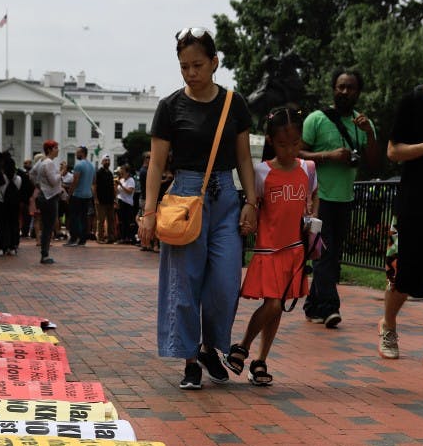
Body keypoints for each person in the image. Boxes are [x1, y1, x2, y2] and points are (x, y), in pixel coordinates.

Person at [139, 27, 257, 389]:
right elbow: (157, 165)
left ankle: (209, 347)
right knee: (184, 285)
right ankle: (191, 360)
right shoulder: (170, 107)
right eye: (184, 66)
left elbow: (243, 158)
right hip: (185, 197)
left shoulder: (233, 103)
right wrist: (148, 212)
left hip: (225, 198)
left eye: (198, 65)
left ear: (214, 62)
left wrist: (251, 201)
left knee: (224, 283)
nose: (191, 72)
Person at [229, 107, 318, 385]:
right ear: (270, 140)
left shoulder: (308, 168)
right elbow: (253, 206)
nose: (290, 150)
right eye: (282, 144)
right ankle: (242, 346)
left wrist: (312, 218)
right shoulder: (261, 172)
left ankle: (260, 360)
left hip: (294, 249)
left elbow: (315, 196)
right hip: (268, 249)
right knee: (275, 304)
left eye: (295, 143)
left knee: (276, 308)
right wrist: (248, 222)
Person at [378, 44, 423, 369]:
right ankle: (388, 325)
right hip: (415, 204)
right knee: (405, 279)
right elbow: (392, 151)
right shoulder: (415, 100)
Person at [300, 67, 379, 328]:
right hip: (318, 199)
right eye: (341, 86)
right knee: (323, 254)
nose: (345, 92)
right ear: (333, 88)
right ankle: (330, 307)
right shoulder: (316, 119)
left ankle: (313, 305)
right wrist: (328, 156)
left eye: (350, 88)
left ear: (358, 92)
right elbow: (297, 153)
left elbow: (375, 163)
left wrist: (368, 133)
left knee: (332, 255)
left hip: (345, 199)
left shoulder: (362, 123)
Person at [30, 139, 61, 264]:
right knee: (48, 226)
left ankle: (45, 253)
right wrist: (61, 173)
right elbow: (54, 181)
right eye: (55, 148)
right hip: (50, 197)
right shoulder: (49, 163)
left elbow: (31, 174)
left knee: (46, 225)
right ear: (49, 150)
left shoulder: (41, 162)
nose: (57, 150)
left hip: (44, 196)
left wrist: (39, 185)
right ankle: (45, 254)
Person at [66, 145, 95, 245]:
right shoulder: (92, 166)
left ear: (82, 153)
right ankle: (82, 239)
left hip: (78, 194)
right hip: (88, 195)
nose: (76, 154)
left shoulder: (79, 165)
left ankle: (73, 238)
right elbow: (93, 181)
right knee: (83, 217)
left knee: (73, 217)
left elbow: (75, 181)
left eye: (77, 152)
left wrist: (69, 194)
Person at [94, 154, 116, 243]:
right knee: (101, 220)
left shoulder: (110, 173)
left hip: (110, 200)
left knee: (111, 220)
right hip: (100, 200)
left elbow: (112, 187)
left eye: (108, 160)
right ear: (102, 162)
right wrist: (95, 198)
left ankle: (110, 237)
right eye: (105, 160)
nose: (107, 162)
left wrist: (114, 199)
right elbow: (94, 186)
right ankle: (100, 238)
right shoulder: (98, 172)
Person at [115, 163, 136, 243]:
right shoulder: (121, 180)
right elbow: (117, 192)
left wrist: (121, 185)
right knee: (121, 221)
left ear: (127, 172)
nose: (121, 173)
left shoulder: (131, 180)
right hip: (120, 202)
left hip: (127, 203)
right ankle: (122, 237)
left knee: (126, 221)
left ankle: (127, 237)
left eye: (123, 172)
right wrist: (116, 186)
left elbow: (130, 192)